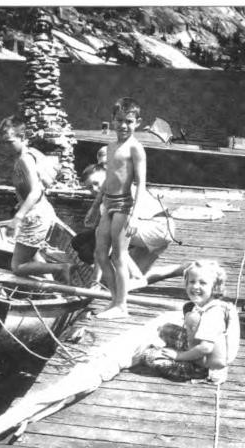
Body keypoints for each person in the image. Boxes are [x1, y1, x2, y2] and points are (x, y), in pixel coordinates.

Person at [76, 162, 188, 289]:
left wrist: (95, 280)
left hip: (157, 228)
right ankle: (180, 269)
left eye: (96, 183)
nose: (95, 189)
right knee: (126, 280)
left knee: (103, 233)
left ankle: (136, 276)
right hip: (157, 230)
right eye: (90, 187)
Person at [84, 97, 147, 319]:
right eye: (119, 120)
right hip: (107, 202)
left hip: (123, 205)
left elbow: (141, 184)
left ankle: (122, 305)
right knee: (100, 255)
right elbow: (109, 178)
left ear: (137, 122)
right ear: (112, 120)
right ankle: (115, 300)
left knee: (119, 257)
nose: (123, 126)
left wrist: (135, 216)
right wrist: (94, 206)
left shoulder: (136, 149)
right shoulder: (110, 147)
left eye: (129, 121)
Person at [0, 115, 74, 283]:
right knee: (33, 255)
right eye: (4, 143)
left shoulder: (25, 159)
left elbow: (36, 191)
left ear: (23, 137)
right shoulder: (30, 154)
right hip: (39, 213)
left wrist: (18, 217)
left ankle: (61, 268)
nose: (7, 147)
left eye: (10, 142)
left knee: (17, 266)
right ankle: (54, 286)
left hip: (36, 216)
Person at [139, 260, 240, 383]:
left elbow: (205, 348)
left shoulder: (213, 314)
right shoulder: (205, 304)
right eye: (192, 281)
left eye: (202, 283)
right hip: (196, 347)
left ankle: (195, 369)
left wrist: (179, 356)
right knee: (165, 329)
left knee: (148, 356)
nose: (195, 286)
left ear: (215, 287)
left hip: (202, 367)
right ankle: (180, 352)